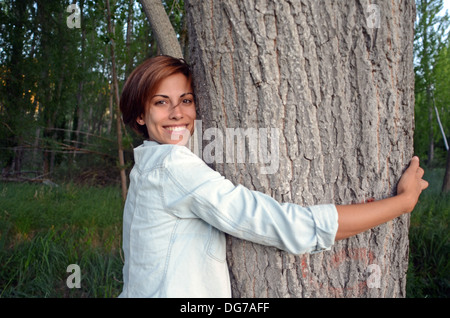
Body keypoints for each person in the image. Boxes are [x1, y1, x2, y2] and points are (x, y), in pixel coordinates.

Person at [118, 55, 428, 298]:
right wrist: (402, 203)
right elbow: (282, 225)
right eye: (161, 102)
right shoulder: (173, 165)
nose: (177, 113)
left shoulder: (147, 166)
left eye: (186, 100)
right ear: (140, 115)